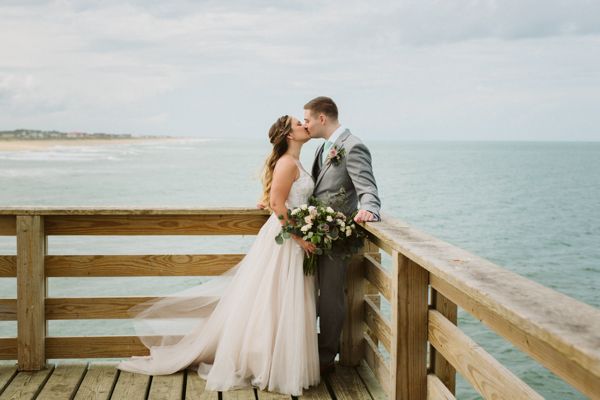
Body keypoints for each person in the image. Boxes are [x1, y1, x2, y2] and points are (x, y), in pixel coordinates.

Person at [117, 115, 320, 396]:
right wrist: (300, 238)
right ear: (288, 135)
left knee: (280, 299)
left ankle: (280, 361)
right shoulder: (287, 162)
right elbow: (276, 203)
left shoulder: (295, 162)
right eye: (299, 124)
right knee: (274, 298)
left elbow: (279, 198)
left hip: (292, 235)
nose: (305, 126)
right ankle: (268, 364)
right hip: (285, 241)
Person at [303, 96, 381, 374]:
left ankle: (326, 361)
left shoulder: (353, 146)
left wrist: (370, 209)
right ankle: (304, 352)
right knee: (308, 295)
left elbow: (367, 189)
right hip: (313, 236)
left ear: (321, 118)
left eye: (308, 119)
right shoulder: (322, 148)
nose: (305, 125)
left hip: (337, 239)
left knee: (331, 299)